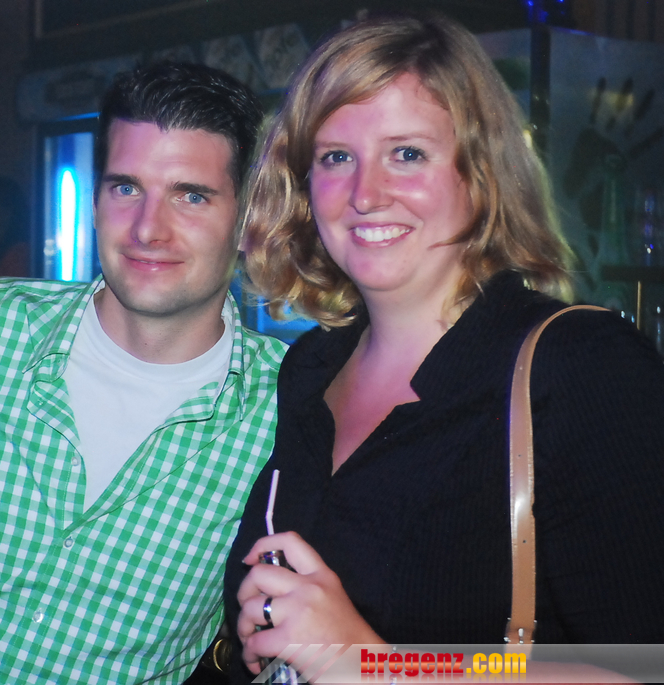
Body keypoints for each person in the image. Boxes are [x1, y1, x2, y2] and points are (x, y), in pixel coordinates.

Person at [224, 13, 664, 682]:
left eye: (407, 153)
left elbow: (643, 667)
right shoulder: (310, 367)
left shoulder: (581, 368)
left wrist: (375, 666)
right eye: (336, 157)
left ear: (479, 172)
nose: (366, 194)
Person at [0, 62, 286, 684]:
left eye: (191, 195)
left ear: (248, 220)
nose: (148, 229)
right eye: (126, 188)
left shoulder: (283, 408)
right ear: (94, 200)